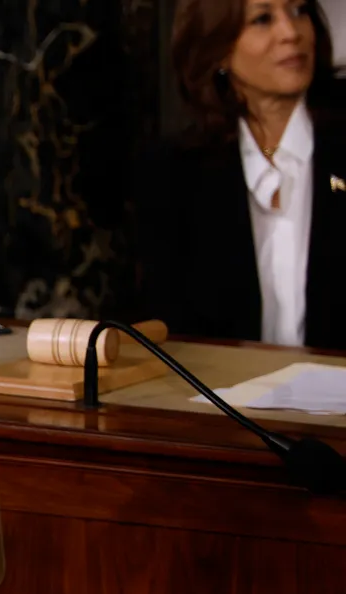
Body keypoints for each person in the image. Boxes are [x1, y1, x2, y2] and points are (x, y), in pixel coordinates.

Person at [135, 0, 344, 350]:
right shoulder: (176, 170)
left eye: (299, 11)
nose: (290, 33)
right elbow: (168, 328)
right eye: (263, 19)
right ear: (218, 50)